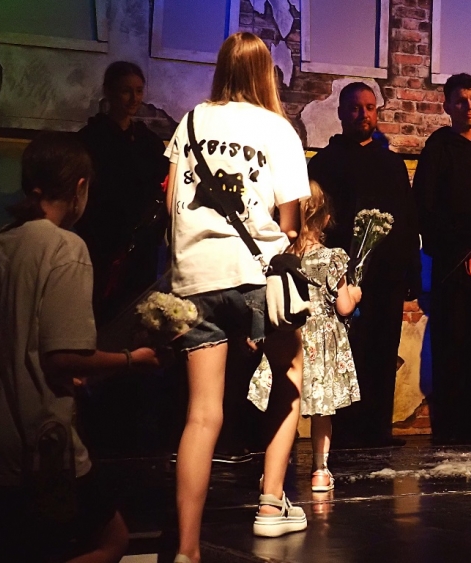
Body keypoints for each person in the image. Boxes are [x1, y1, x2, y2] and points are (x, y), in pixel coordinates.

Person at [164, 32, 311, 560]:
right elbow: (291, 221)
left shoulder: (191, 121)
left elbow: (171, 203)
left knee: (202, 413)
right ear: (266, 72)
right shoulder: (277, 128)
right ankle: (271, 503)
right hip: (255, 275)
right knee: (290, 376)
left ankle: (186, 549)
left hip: (195, 278)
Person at [0, 132, 159, 563]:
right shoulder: (65, 247)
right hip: (42, 438)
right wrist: (132, 360)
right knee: (111, 541)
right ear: (80, 187)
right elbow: (63, 356)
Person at [308, 81, 420, 448]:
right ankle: (344, 432)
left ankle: (378, 429)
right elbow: (316, 221)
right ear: (341, 112)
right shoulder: (324, 163)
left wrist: (411, 270)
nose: (364, 114)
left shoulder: (391, 164)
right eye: (356, 108)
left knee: (382, 351)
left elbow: (406, 220)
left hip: (385, 277)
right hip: (339, 278)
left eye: (370, 108)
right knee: (344, 352)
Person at [413, 73, 471, 445]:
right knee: (450, 341)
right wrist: (458, 249)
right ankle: (449, 426)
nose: (468, 106)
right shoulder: (438, 150)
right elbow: (426, 208)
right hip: (451, 264)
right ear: (447, 106)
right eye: (460, 100)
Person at [249, 181, 362, 491]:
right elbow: (343, 306)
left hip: (288, 337)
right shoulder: (331, 258)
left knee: (283, 405)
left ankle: (272, 471)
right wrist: (355, 294)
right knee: (322, 411)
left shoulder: (279, 256)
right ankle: (320, 471)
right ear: (326, 219)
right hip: (321, 344)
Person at [76, 60, 168, 327]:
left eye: (138, 91)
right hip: (102, 241)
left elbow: (160, 188)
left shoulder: (148, 141)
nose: (134, 98)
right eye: (126, 91)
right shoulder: (91, 138)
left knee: (138, 314)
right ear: (109, 91)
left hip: (142, 245)